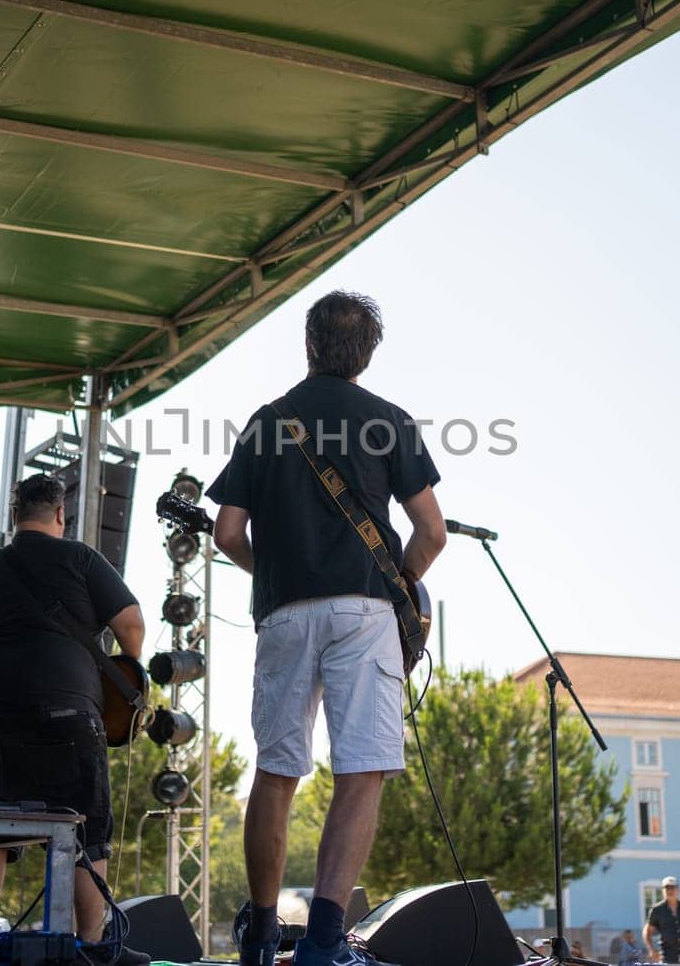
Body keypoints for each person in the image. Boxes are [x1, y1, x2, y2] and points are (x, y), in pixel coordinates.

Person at [210, 291, 447, 966]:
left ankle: (259, 931)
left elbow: (228, 532)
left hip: (284, 611)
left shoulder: (266, 421)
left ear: (308, 344)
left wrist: (274, 573)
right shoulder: (388, 421)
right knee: (361, 770)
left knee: (276, 770)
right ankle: (321, 942)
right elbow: (432, 531)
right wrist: (400, 579)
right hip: (365, 610)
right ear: (366, 354)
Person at [0, 473, 149, 965]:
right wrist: (121, 670)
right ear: (60, 514)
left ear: (15, 516)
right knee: (83, 825)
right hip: (66, 706)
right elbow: (132, 624)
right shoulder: (81, 558)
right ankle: (94, 947)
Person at [644, 877, 680, 964]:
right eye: (667, 888)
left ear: (678, 890)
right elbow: (647, 931)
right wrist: (651, 950)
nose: (670, 891)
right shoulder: (657, 910)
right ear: (663, 890)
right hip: (667, 956)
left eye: (672, 887)